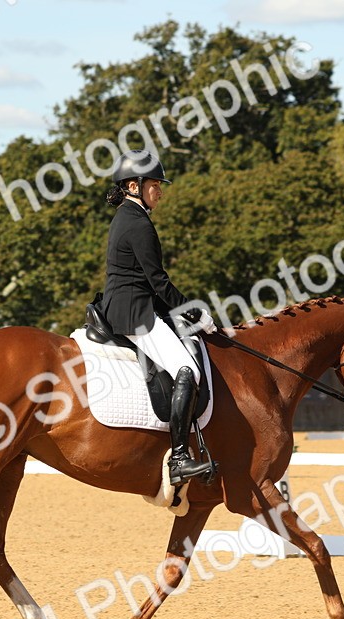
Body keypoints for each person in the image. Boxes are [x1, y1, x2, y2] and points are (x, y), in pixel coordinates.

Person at [100, 149, 218, 485]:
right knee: (187, 370)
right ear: (134, 186)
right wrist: (195, 313)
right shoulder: (137, 223)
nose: (160, 191)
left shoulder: (128, 217)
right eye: (155, 185)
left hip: (133, 304)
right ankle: (179, 458)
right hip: (134, 311)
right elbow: (159, 282)